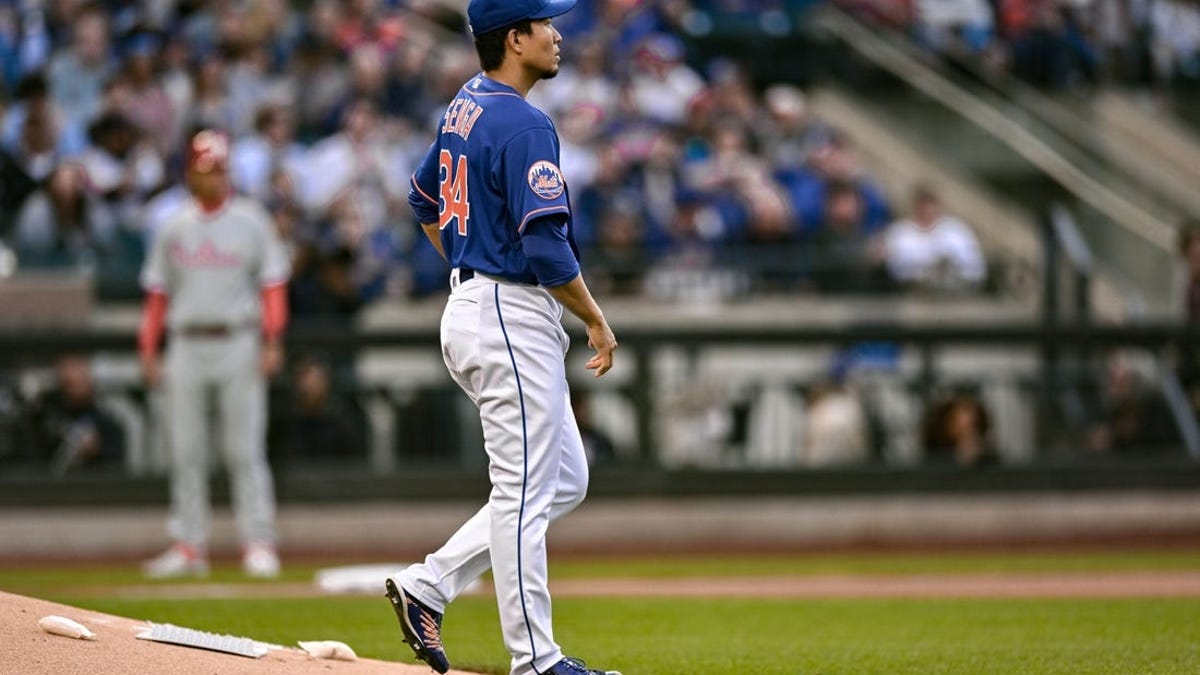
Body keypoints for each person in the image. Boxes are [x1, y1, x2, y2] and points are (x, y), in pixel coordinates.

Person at [383, 2, 621, 675]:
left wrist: (466, 262)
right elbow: (545, 245)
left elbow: (423, 198)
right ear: (514, 38)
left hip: (478, 302)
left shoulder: (467, 104)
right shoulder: (523, 121)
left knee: (563, 480)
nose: (557, 33)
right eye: (544, 23)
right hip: (505, 308)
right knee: (523, 489)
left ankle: (429, 583)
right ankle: (538, 662)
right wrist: (596, 317)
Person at [138, 128, 291, 579]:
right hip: (185, 341)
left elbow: (273, 286)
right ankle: (189, 545)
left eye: (220, 169)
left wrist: (272, 338)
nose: (214, 178)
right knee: (185, 451)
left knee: (244, 450)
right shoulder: (173, 224)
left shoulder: (251, 220)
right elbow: (157, 294)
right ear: (191, 172)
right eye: (207, 169)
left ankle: (258, 542)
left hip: (238, 339)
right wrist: (149, 347)